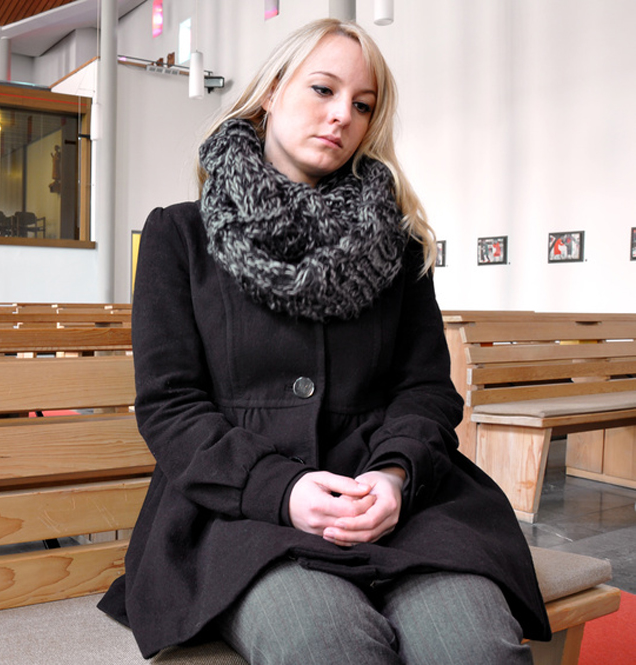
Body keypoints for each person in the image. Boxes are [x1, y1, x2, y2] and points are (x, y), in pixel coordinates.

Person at [98, 17, 551, 664]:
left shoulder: (396, 243)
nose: (342, 115)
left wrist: (394, 476)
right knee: (330, 646)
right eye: (323, 89)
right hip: (237, 513)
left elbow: (425, 389)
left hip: (394, 504)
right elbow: (170, 407)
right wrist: (282, 490)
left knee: (476, 646)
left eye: (362, 105)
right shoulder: (180, 236)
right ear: (272, 91)